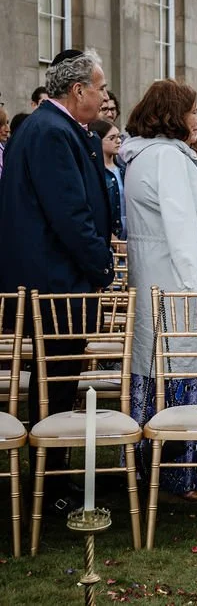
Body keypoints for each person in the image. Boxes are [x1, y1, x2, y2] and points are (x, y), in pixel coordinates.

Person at [0, 49, 114, 512]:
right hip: (56, 286)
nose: (105, 95)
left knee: (57, 381)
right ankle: (50, 488)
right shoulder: (51, 132)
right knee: (57, 381)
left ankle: (52, 481)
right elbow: (70, 213)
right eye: (101, 87)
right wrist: (101, 266)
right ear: (78, 90)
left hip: (52, 283)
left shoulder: (53, 128)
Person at [120, 79, 197, 502]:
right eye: (193, 109)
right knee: (182, 365)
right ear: (172, 114)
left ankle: (161, 470)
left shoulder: (147, 156)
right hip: (179, 284)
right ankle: (185, 474)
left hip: (158, 276)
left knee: (159, 365)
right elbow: (182, 226)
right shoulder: (166, 158)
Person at [88, 118, 127, 239]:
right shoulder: (93, 173)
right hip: (107, 239)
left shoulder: (124, 170)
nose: (118, 141)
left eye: (119, 136)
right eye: (112, 138)